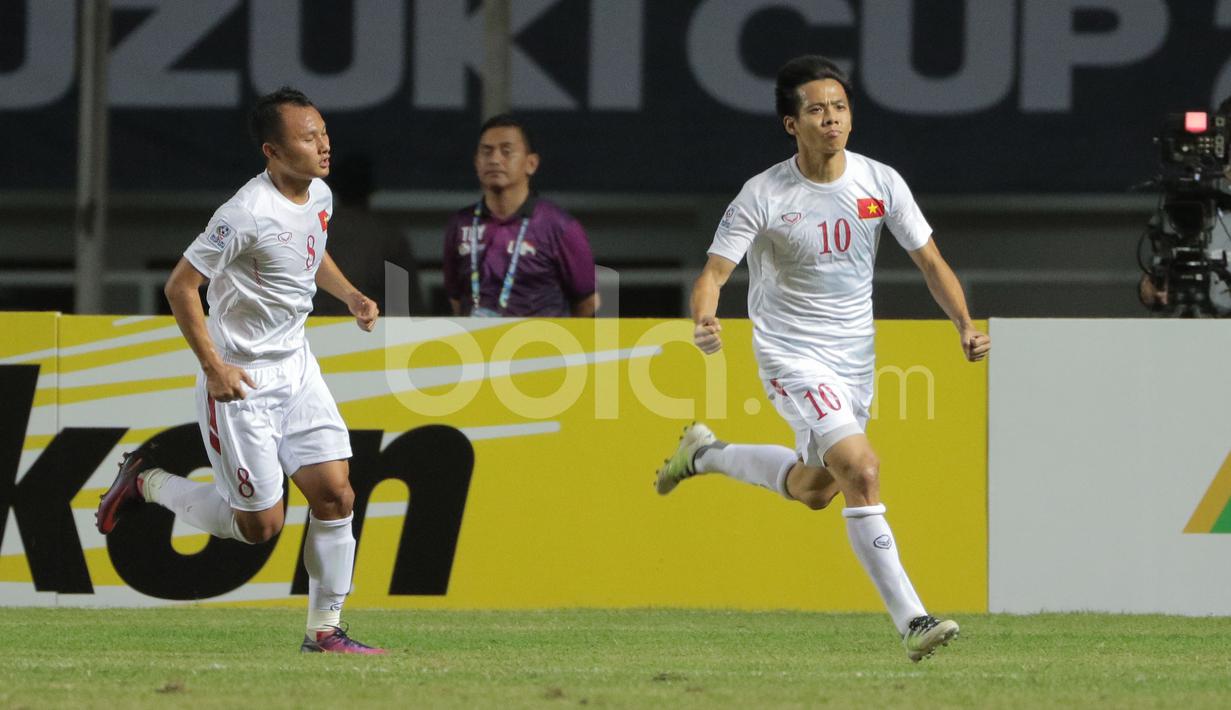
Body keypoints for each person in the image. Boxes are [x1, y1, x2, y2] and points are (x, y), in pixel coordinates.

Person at [654, 56, 990, 663]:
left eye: (839, 108)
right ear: (792, 124)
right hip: (791, 354)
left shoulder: (880, 182)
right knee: (861, 469)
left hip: (855, 360)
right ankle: (914, 620)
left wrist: (964, 324)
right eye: (817, 110)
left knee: (815, 489)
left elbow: (932, 264)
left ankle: (705, 454)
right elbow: (714, 272)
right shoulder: (764, 193)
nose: (831, 120)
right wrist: (704, 318)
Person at [95, 87, 385, 655]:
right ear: (272, 151)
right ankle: (145, 482)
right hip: (242, 381)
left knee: (337, 495)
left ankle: (324, 633)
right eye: (308, 137)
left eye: (324, 132)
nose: (324, 144)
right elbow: (181, 286)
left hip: (297, 370)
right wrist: (214, 367)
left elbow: (311, 248)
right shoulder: (243, 213)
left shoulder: (320, 194)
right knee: (260, 528)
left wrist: (349, 294)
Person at [442, 114, 598, 317]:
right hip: (476, 346)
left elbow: (587, 303)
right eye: (486, 152)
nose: (495, 159)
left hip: (540, 347)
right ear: (476, 163)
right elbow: (455, 299)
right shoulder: (460, 224)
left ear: (531, 164)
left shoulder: (559, 226)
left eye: (506, 151)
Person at [311, 153, 422, 316]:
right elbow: (405, 307)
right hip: (372, 334)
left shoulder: (314, 231)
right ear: (371, 189)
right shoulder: (388, 236)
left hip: (315, 331)